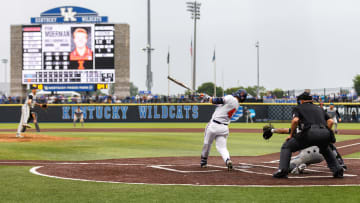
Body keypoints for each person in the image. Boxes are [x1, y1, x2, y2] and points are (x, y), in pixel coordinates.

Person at [273, 91, 344, 178]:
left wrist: (291, 135)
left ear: (302, 101)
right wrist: (326, 131)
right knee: (325, 148)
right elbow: (331, 121)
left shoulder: (298, 108)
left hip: (310, 132)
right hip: (325, 132)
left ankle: (283, 171)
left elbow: (295, 121)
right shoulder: (319, 108)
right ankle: (337, 170)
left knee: (287, 146)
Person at [263, 126, 347, 174]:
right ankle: (340, 164)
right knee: (329, 145)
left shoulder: (301, 128)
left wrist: (272, 130)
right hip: (321, 155)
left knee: (287, 167)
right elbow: (331, 145)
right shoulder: (320, 129)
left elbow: (284, 130)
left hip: (306, 154)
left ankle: (298, 167)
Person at [200, 89, 247, 171]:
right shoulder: (237, 104)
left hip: (213, 126)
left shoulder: (230, 98)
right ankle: (227, 159)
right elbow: (218, 103)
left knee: (207, 143)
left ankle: (203, 162)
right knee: (222, 147)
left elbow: (215, 101)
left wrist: (207, 98)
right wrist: (207, 97)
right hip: (224, 128)